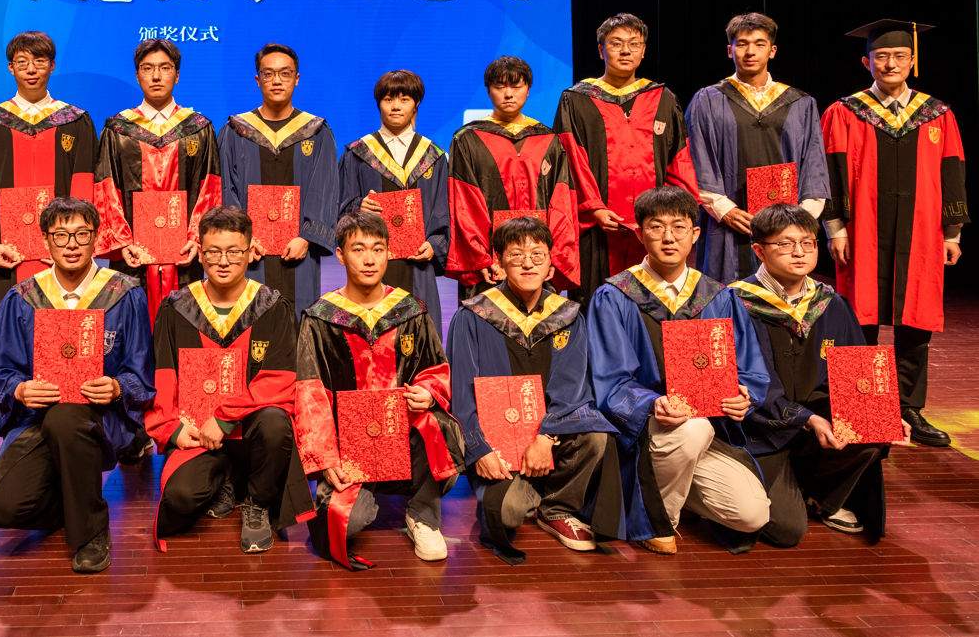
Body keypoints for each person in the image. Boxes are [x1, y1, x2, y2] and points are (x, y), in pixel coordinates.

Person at [587, 186, 769, 555]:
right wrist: (652, 403)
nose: (668, 237)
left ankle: (676, 489)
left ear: (695, 234)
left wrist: (744, 396)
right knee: (692, 428)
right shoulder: (615, 296)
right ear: (640, 234)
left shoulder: (718, 296)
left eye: (679, 227)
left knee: (752, 515)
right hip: (642, 434)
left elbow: (750, 369)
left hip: (706, 433)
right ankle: (656, 522)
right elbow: (608, 379)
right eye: (656, 227)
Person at [0, 197, 154, 573]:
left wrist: (118, 387)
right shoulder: (23, 297)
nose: (72, 244)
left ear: (96, 239)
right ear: (45, 241)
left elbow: (141, 370)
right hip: (38, 417)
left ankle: (92, 531)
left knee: (66, 417)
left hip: (101, 416)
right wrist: (20, 389)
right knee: (3, 508)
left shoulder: (124, 294)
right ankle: (75, 498)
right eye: (61, 235)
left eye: (82, 234)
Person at [822, 19, 968, 448]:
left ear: (912, 61)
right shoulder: (845, 112)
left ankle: (908, 409)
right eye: (881, 56)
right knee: (859, 317)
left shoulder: (937, 113)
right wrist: (835, 228)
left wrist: (953, 233)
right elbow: (831, 172)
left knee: (916, 322)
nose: (890, 64)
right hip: (862, 231)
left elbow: (953, 172)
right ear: (866, 61)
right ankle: (862, 407)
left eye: (899, 56)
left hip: (922, 232)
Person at [732, 204, 909, 551]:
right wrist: (807, 419)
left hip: (816, 426)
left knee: (873, 427)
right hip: (758, 431)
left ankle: (818, 496)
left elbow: (857, 371)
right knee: (786, 531)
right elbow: (746, 386)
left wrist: (884, 412)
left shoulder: (830, 303)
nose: (799, 252)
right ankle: (787, 491)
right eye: (785, 244)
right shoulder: (735, 303)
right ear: (759, 251)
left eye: (807, 243)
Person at [295, 211, 464, 568]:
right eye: (358, 249)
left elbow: (435, 369)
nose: (369, 259)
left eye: (378, 249)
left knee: (440, 425)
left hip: (402, 439)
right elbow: (310, 393)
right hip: (347, 448)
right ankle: (363, 496)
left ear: (389, 253)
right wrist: (325, 458)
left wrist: (428, 392)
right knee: (343, 525)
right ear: (340, 255)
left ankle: (422, 514)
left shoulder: (410, 311)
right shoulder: (320, 318)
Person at [447, 216, 619, 563]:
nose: (528, 263)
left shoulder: (568, 316)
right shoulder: (473, 316)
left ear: (551, 264)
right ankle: (530, 490)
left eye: (537, 255)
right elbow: (461, 394)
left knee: (595, 436)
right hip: (500, 446)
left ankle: (556, 507)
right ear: (498, 262)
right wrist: (480, 450)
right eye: (516, 255)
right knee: (505, 514)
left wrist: (546, 436)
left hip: (548, 439)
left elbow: (572, 387)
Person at [147, 206, 313, 553]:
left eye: (234, 252)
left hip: (253, 432)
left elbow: (281, 379)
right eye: (213, 252)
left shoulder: (272, 307)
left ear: (251, 252)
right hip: (199, 435)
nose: (223, 261)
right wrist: (171, 429)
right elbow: (163, 374)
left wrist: (224, 418)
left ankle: (257, 501)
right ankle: (226, 477)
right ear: (200, 253)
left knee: (275, 422)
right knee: (179, 499)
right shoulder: (176, 308)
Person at [0, 31, 99, 339]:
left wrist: (75, 240)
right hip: (3, 251)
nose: (31, 69)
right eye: (22, 62)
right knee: (6, 336)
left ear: (52, 65)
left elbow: (86, 184)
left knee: (63, 340)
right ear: (10, 67)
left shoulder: (75, 121)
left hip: (65, 251)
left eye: (39, 61)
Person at [552, 13, 700, 309]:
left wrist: (677, 213)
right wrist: (594, 208)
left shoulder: (662, 98)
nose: (625, 50)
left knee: (656, 303)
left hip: (655, 226)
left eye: (634, 43)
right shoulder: (577, 100)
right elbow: (570, 159)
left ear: (643, 51)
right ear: (601, 50)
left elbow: (678, 160)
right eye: (616, 43)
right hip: (598, 228)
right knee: (597, 302)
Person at [685, 14, 829, 283]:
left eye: (759, 44)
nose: (750, 51)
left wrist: (801, 218)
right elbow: (696, 158)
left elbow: (814, 161)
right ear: (730, 50)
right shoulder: (708, 100)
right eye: (742, 44)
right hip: (729, 220)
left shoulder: (801, 103)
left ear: (772, 51)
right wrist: (723, 209)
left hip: (787, 222)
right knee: (727, 293)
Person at [448, 56, 602, 301]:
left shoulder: (549, 140)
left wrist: (556, 256)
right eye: (500, 87)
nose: (509, 94)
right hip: (491, 263)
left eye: (516, 86)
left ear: (528, 89)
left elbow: (561, 203)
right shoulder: (468, 139)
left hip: (538, 259)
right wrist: (481, 258)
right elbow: (465, 205)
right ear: (488, 90)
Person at [93, 38, 224, 322]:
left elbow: (210, 188)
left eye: (165, 68)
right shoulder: (118, 129)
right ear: (137, 75)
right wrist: (122, 242)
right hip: (132, 254)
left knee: (184, 324)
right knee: (131, 323)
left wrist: (197, 238)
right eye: (147, 68)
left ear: (177, 75)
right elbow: (106, 188)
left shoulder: (198, 128)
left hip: (184, 254)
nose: (156, 76)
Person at [218, 43, 339, 314]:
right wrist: (242, 239)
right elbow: (226, 188)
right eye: (269, 73)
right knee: (248, 316)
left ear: (296, 78)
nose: (276, 81)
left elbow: (325, 189)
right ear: (258, 79)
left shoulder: (317, 132)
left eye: (285, 73)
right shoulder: (235, 131)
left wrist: (306, 238)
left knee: (298, 316)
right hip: (250, 250)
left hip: (299, 250)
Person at [338, 70, 451, 323]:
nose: (396, 106)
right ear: (379, 103)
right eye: (388, 99)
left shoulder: (433, 156)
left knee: (419, 334)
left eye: (404, 99)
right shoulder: (357, 153)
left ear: (416, 104)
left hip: (418, 264)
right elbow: (339, 205)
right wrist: (359, 206)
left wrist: (435, 245)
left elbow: (444, 209)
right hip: (370, 262)